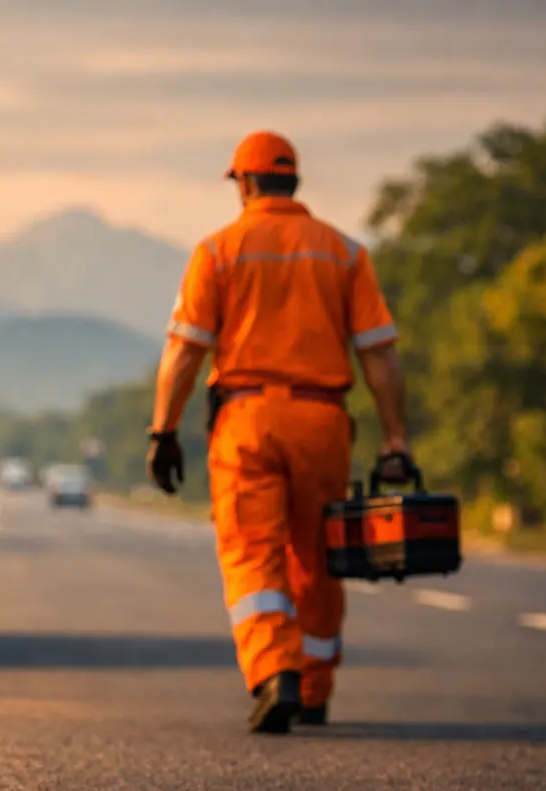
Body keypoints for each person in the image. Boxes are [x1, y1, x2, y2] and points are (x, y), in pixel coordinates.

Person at [145, 130, 414, 734]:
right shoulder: (344, 254)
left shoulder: (218, 251)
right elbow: (379, 356)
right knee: (318, 557)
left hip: (247, 421)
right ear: (294, 181)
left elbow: (185, 351)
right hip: (322, 421)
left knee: (252, 551)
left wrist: (163, 430)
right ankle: (315, 689)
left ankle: (276, 674)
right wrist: (396, 438)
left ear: (243, 183)